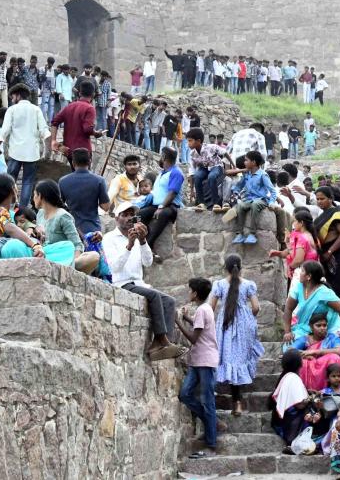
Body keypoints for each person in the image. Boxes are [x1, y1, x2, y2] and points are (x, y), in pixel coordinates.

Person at [103, 201, 184, 361]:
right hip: (122, 283)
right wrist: (129, 245)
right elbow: (115, 267)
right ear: (116, 219)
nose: (128, 218)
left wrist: (142, 241)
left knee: (169, 300)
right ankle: (163, 340)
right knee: (154, 296)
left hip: (138, 282)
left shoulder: (138, 235)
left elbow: (148, 262)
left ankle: (160, 343)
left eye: (131, 215)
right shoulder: (109, 238)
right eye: (124, 215)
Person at [283, 260, 340, 387]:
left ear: (309, 276)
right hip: (305, 327)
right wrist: (288, 331)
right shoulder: (299, 287)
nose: (299, 273)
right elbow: (288, 308)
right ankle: (293, 386)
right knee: (288, 346)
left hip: (329, 326)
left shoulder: (323, 292)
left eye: (302, 271)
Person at [209, 255, 263, 416]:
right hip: (243, 325)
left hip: (225, 324)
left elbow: (210, 307)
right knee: (238, 361)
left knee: (227, 359)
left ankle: (227, 399)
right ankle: (237, 403)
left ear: (225, 267)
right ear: (241, 267)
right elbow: (256, 307)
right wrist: (247, 318)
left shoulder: (219, 284)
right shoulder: (248, 285)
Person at [174, 277, 219, 458]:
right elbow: (199, 327)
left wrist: (177, 322)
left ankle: (211, 444)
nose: (188, 292)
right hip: (198, 360)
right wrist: (185, 317)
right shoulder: (204, 309)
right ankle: (213, 423)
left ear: (195, 293)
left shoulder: (202, 309)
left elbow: (194, 338)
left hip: (205, 361)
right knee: (185, 394)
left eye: (190, 290)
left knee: (208, 402)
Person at [0, 84, 46, 208]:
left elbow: (4, 132)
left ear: (18, 95)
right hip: (32, 153)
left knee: (9, 181)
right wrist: (45, 151)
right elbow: (44, 131)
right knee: (27, 183)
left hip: (15, 152)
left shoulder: (12, 110)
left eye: (12, 96)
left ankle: (5, 207)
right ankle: (22, 211)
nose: (12, 99)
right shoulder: (36, 110)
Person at [270, 349, 322, 450]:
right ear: (300, 364)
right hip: (288, 423)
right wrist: (311, 398)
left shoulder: (285, 376)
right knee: (312, 410)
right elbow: (300, 405)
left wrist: (308, 392)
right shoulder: (294, 378)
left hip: (279, 421)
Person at [57, 147, 110, 239]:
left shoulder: (63, 181)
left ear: (73, 163)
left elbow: (58, 206)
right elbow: (106, 207)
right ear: (90, 162)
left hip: (70, 229)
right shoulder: (99, 180)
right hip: (93, 230)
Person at [314, 186, 340, 303]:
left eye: (322, 199)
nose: (319, 201)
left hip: (339, 254)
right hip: (326, 254)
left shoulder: (337, 214)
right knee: (329, 286)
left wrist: (330, 251)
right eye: (317, 199)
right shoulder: (322, 214)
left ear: (330, 199)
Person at [138, 147, 183, 249]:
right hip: (156, 205)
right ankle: (143, 240)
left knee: (162, 214)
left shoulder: (176, 172)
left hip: (170, 206)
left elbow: (172, 193)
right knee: (139, 215)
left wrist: (161, 207)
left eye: (161, 155)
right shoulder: (163, 172)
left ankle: (149, 243)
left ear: (164, 157)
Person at [230, 150, 277, 245]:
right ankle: (240, 234)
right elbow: (239, 186)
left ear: (254, 162)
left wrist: (272, 202)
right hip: (248, 200)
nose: (244, 162)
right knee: (240, 206)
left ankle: (252, 234)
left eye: (246, 160)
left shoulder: (262, 175)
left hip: (261, 200)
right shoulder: (246, 175)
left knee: (255, 205)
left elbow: (272, 190)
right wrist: (235, 192)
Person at [50, 80, 99, 168]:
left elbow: (54, 122)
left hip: (69, 150)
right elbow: (87, 129)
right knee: (85, 178)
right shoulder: (90, 108)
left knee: (75, 174)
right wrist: (96, 133)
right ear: (93, 94)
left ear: (79, 93)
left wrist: (53, 140)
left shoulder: (69, 106)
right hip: (83, 151)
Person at [186, 128, 226, 209]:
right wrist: (191, 191)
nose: (188, 144)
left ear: (198, 141)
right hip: (204, 168)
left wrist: (232, 165)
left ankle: (216, 203)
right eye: (188, 141)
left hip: (216, 166)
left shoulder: (211, 147)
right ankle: (201, 203)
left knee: (212, 176)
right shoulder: (192, 154)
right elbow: (192, 172)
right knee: (197, 176)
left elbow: (225, 153)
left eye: (190, 141)